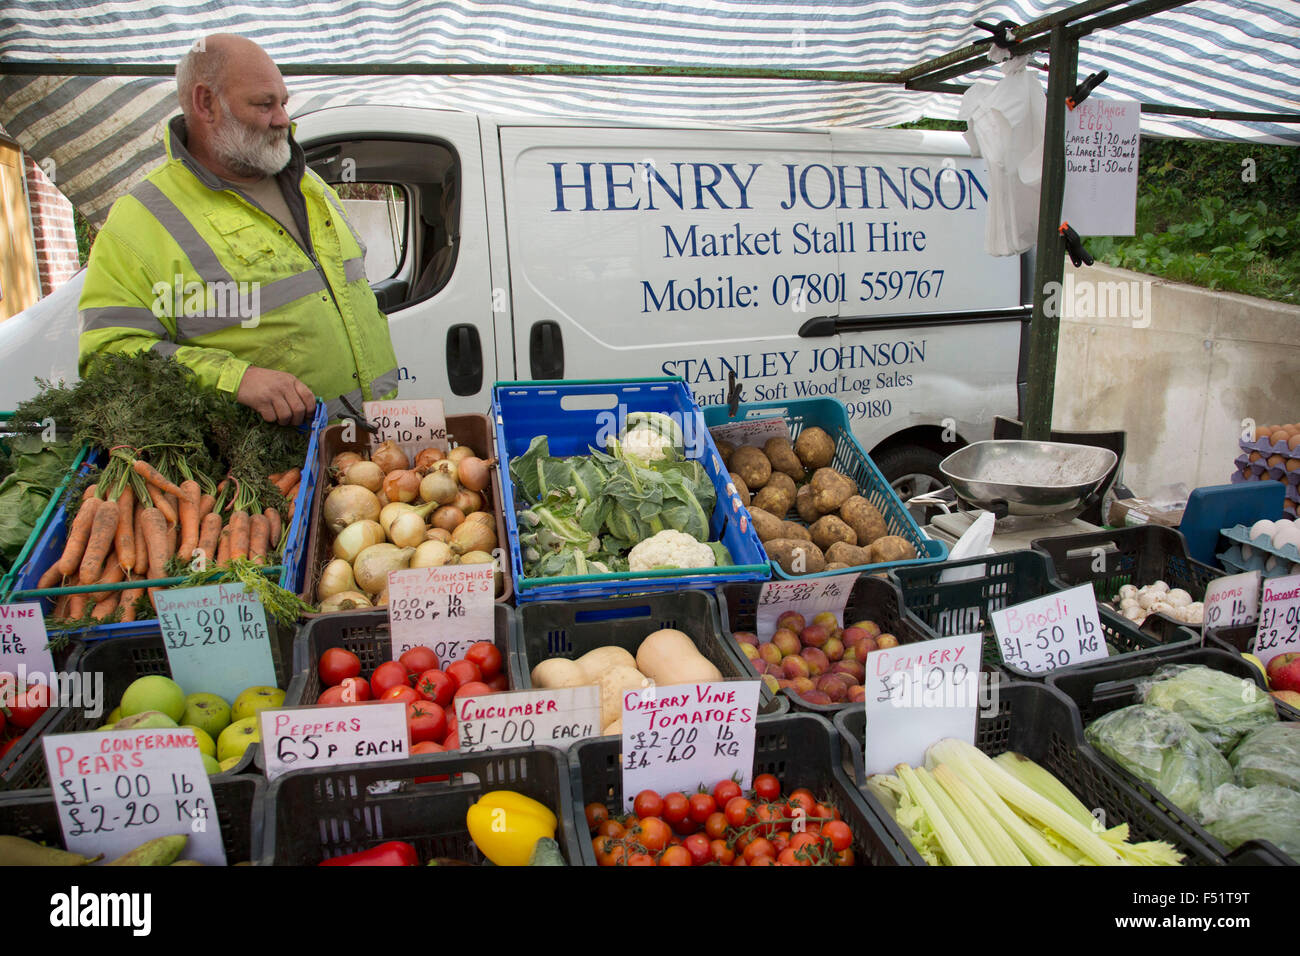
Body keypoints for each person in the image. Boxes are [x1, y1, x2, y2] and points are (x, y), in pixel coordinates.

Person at [77, 34, 399, 426]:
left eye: (283, 102)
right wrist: (236, 378)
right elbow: (109, 358)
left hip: (374, 445)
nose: (283, 119)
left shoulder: (308, 184)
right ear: (205, 103)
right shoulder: (141, 219)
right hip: (275, 471)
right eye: (264, 104)